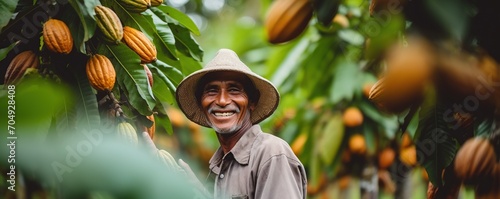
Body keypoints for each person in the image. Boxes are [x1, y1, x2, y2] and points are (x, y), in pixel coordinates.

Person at [175, 48, 307, 199]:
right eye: (212, 91)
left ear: (252, 101)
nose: (222, 101)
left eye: (234, 90)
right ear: (201, 103)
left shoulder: (271, 153)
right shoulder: (219, 165)